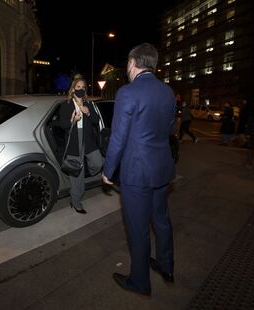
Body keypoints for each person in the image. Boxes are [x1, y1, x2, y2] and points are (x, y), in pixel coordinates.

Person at [102, 43, 175, 296]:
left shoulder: (128, 92)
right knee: (162, 219)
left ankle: (140, 282)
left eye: (127, 65)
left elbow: (118, 136)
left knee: (138, 229)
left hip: (136, 172)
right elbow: (166, 130)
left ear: (133, 63)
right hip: (162, 169)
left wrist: (108, 170)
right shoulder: (168, 92)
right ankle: (166, 266)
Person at [59, 77, 103, 214]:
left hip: (88, 141)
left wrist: (88, 113)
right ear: (73, 89)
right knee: (77, 178)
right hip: (73, 143)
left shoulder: (88, 104)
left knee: (98, 162)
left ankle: (87, 169)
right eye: (78, 87)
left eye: (83, 87)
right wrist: (72, 120)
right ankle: (76, 202)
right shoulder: (65, 105)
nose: (81, 89)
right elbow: (62, 125)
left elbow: (96, 120)